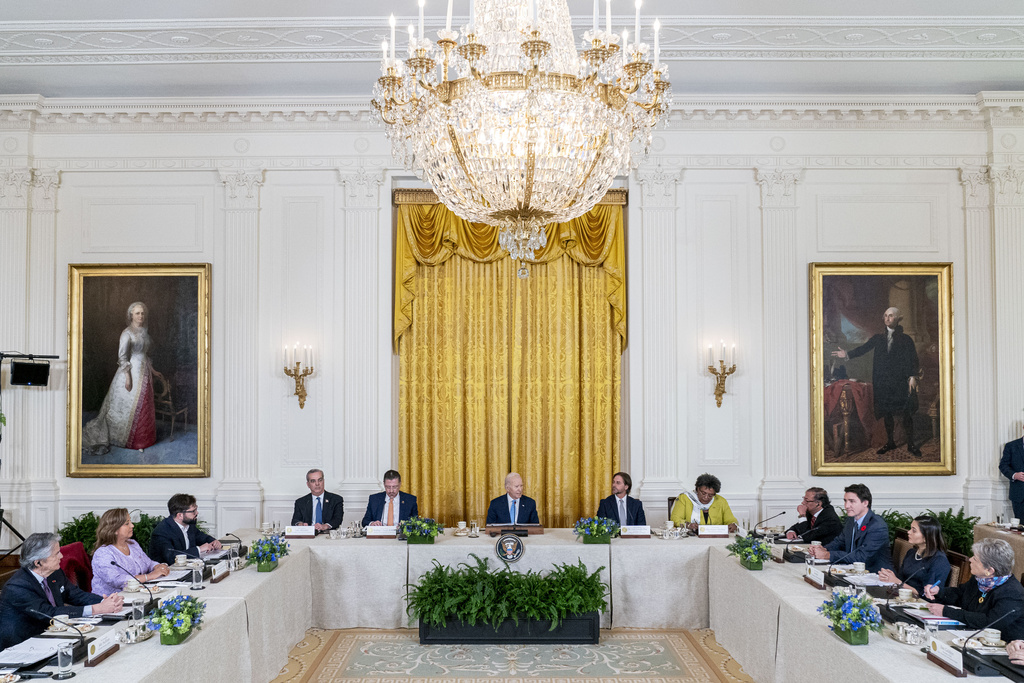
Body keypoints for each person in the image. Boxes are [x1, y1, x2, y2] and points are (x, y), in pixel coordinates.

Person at [0, 533, 123, 649]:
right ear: (38, 562)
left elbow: (75, 595)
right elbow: (50, 614)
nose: (62, 556)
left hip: (51, 636)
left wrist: (106, 601)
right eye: (56, 554)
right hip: (23, 645)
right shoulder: (18, 587)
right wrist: (97, 609)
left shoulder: (55, 573)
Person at [831, 306, 921, 457]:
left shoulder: (906, 340)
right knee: (887, 413)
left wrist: (912, 377)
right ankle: (890, 441)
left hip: (900, 383)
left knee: (906, 414)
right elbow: (863, 349)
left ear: (898, 319)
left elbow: (913, 359)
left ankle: (911, 443)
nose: (887, 318)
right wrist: (846, 354)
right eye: (885, 315)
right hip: (884, 383)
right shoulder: (878, 338)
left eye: (891, 316)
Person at [82, 301, 162, 455]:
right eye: (137, 313)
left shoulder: (144, 332)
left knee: (145, 405)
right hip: (131, 372)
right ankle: (130, 440)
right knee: (127, 407)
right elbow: (122, 357)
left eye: (142, 313)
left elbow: (145, 354)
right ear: (131, 315)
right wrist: (128, 377)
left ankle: (144, 440)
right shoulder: (127, 333)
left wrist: (153, 370)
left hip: (144, 373)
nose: (140, 316)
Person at [923, 538, 1024, 642]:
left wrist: (946, 611)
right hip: (972, 636)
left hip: (1002, 647)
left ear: (989, 570)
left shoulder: (1012, 593)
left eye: (975, 559)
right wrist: (939, 591)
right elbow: (960, 594)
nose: (970, 559)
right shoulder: (980, 579)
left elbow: (988, 622)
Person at [807, 483, 892, 572]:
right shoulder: (851, 521)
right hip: (851, 571)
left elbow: (861, 557)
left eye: (852, 501)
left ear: (865, 503)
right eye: (845, 501)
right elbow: (839, 542)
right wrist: (823, 549)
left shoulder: (877, 526)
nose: (846, 506)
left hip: (877, 575)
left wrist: (827, 555)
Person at [91, 508, 171, 595]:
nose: (132, 525)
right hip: (111, 601)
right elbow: (117, 580)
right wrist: (149, 576)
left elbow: (148, 563)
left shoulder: (133, 544)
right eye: (127, 523)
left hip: (137, 594)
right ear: (114, 529)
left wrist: (158, 567)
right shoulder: (103, 553)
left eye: (130, 522)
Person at [877, 515, 951, 597]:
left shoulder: (939, 560)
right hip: (903, 597)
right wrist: (890, 577)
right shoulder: (911, 553)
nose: (908, 532)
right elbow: (902, 579)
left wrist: (897, 582)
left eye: (914, 530)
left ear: (926, 537)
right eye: (910, 528)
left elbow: (928, 594)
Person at [148, 493, 221, 564]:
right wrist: (199, 549)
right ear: (180, 515)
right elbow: (171, 557)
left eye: (196, 509)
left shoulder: (189, 525)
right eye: (193, 511)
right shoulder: (162, 531)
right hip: (168, 572)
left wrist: (213, 541)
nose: (197, 513)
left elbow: (201, 537)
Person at [670, 473, 738, 533]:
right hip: (691, 536)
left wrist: (733, 524)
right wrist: (688, 525)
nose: (706, 497)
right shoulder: (684, 498)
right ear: (697, 489)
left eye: (710, 495)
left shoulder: (721, 501)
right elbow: (675, 519)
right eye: (703, 493)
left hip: (715, 538)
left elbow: (730, 519)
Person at [998, 429, 1024, 521]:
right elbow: (1003, 465)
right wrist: (1014, 475)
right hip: (1020, 495)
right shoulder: (1011, 446)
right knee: (1021, 528)